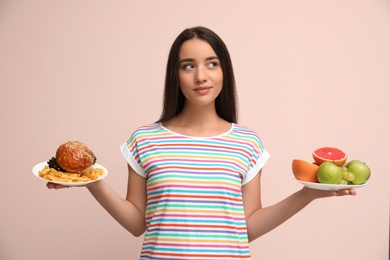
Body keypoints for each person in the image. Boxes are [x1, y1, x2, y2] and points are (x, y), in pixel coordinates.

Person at [47, 26, 356, 259]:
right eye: (188, 65)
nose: (201, 76)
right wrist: (92, 182)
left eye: (212, 63)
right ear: (176, 74)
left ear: (225, 71)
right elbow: (137, 224)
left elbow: (247, 228)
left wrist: (307, 194)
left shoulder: (247, 143)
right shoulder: (145, 140)